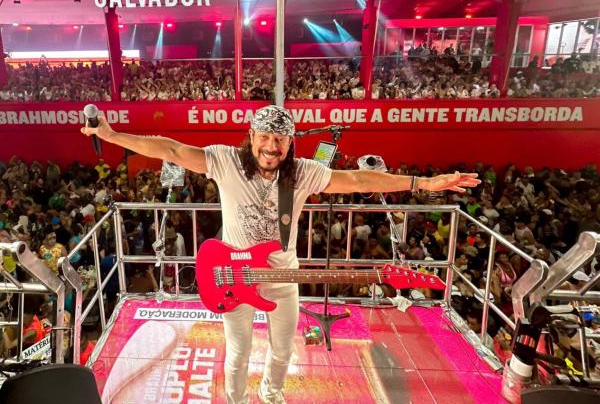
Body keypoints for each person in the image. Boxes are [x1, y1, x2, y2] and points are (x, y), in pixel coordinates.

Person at [82, 104, 480, 404]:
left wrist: (423, 182)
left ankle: (272, 393)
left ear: (290, 142)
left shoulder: (303, 172)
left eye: (281, 140)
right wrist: (113, 135)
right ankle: (237, 401)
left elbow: (359, 179)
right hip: (233, 278)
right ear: (251, 134)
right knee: (236, 353)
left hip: (283, 278)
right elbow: (170, 148)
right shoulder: (224, 160)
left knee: (283, 348)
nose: (272, 147)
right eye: (265, 137)